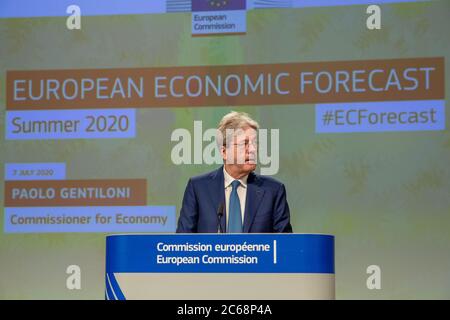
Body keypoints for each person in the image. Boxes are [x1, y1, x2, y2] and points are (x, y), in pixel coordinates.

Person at [176, 111, 293, 233]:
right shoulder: (198, 188)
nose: (253, 149)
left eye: (255, 143)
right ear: (224, 152)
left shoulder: (273, 191)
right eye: (245, 143)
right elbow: (182, 243)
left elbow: (286, 245)